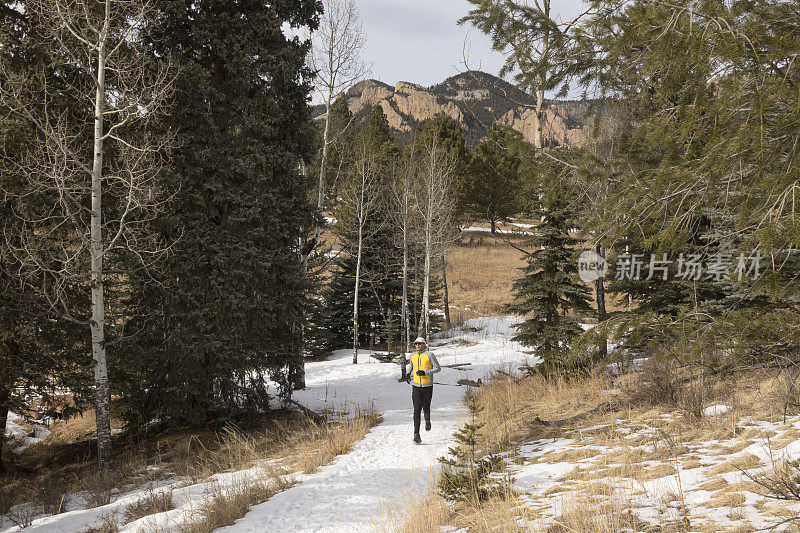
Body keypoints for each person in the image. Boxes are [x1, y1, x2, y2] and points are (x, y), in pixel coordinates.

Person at [405, 336, 441, 444]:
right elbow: (411, 365)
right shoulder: (413, 355)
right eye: (415, 343)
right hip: (416, 386)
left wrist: (425, 373)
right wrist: (407, 373)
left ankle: (428, 420)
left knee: (426, 407)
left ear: (424, 344)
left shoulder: (429, 355)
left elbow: (438, 368)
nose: (417, 345)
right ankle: (416, 435)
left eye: (419, 343)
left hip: (427, 386)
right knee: (416, 410)